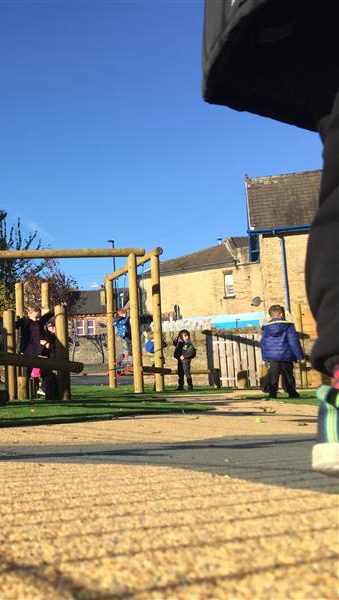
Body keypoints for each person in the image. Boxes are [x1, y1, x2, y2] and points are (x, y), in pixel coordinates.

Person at [202, 1, 339, 474]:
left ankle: (327, 384)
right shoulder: (272, 329)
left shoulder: (269, 329)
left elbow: (277, 345)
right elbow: (282, 345)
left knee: (274, 371)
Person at [261, 305, 304, 399]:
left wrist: (265, 357)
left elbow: (263, 343)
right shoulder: (288, 326)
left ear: (270, 315)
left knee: (274, 375)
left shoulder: (265, 327)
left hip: (272, 356)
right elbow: (293, 342)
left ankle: (272, 393)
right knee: (288, 375)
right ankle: (292, 393)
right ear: (281, 314)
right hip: (286, 355)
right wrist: (300, 356)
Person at [37, 321, 60, 400]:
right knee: (47, 373)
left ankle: (45, 388)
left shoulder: (57, 335)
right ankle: (43, 388)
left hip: (54, 356)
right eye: (49, 327)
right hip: (48, 356)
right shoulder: (47, 335)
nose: (52, 328)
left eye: (53, 326)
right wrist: (45, 344)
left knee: (52, 374)